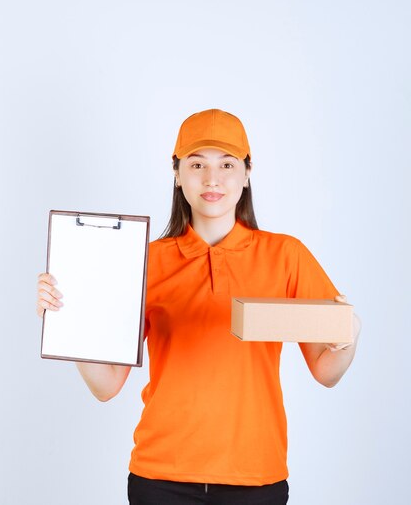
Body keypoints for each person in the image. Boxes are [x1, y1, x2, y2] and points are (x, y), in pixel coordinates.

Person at [37, 109, 361, 505]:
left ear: (247, 172)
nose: (212, 179)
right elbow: (106, 386)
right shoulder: (144, 261)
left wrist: (348, 339)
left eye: (227, 164)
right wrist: (68, 318)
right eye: (196, 164)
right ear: (176, 173)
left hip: (256, 478)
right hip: (160, 478)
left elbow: (327, 372)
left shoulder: (286, 256)